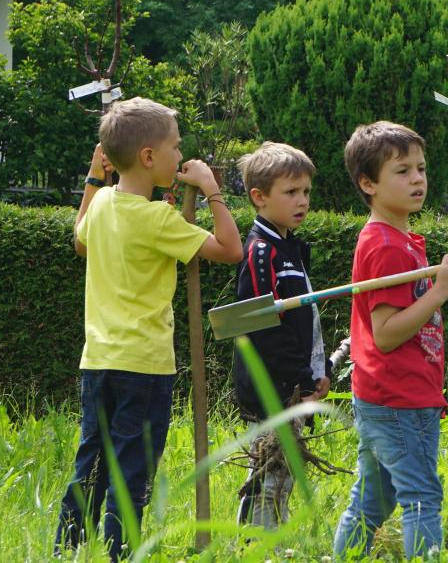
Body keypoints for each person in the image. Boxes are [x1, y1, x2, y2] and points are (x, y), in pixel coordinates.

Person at [55, 97, 243, 560]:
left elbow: (79, 239)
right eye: (176, 148)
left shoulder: (100, 206)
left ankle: (67, 549)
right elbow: (230, 249)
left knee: (91, 462)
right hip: (145, 367)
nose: (181, 157)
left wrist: (93, 179)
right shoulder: (158, 219)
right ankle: (123, 552)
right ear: (149, 157)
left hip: (97, 361)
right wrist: (211, 189)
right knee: (131, 469)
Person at [332, 121, 448, 559]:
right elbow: (387, 334)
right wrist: (441, 291)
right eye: (402, 171)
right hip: (398, 398)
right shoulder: (386, 246)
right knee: (421, 498)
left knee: (373, 501)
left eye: (421, 169)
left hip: (394, 395)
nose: (417, 179)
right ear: (368, 183)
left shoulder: (400, 240)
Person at [230, 141, 331, 529]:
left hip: (295, 383)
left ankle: (272, 538)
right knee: (269, 473)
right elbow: (261, 326)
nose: (302, 200)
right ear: (259, 197)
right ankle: (255, 543)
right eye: (290, 192)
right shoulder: (260, 252)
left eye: (306, 191)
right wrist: (301, 379)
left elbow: (305, 321)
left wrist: (316, 372)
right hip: (272, 386)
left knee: (284, 473)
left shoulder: (291, 247)